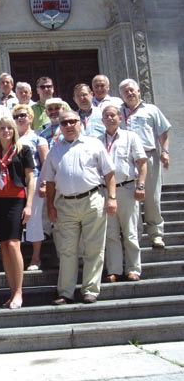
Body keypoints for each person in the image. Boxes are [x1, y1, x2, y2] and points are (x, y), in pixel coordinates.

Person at [42, 110, 117, 305]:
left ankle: (90, 289)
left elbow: (109, 174)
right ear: (60, 126)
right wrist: (50, 206)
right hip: (65, 204)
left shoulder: (94, 144)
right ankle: (65, 292)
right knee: (67, 249)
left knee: (94, 247)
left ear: (79, 123)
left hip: (93, 200)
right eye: (64, 123)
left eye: (72, 121)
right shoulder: (55, 150)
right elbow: (49, 182)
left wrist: (112, 198)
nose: (68, 125)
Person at [0, 117, 35, 309]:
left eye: (9, 128)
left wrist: (28, 206)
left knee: (14, 244)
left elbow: (31, 179)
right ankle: (12, 292)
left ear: (14, 131)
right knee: (4, 246)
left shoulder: (24, 150)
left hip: (16, 201)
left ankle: (19, 292)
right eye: (2, 128)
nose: (6, 131)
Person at [119, 78, 171, 248]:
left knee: (152, 197)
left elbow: (163, 132)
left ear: (139, 91)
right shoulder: (118, 112)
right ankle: (135, 235)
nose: (129, 93)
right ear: (121, 95)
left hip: (148, 157)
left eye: (131, 90)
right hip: (126, 160)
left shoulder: (151, 110)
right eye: (125, 91)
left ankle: (155, 233)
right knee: (130, 199)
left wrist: (164, 152)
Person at [99, 105, 147, 282]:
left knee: (130, 231)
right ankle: (115, 269)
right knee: (110, 233)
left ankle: (134, 268)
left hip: (127, 189)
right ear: (102, 120)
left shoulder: (131, 137)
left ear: (120, 118)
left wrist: (141, 185)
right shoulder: (97, 140)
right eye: (106, 116)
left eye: (113, 115)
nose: (110, 118)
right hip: (105, 192)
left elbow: (142, 162)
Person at [13, 104, 49, 271]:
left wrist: (44, 183)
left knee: (33, 219)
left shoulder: (39, 138)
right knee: (16, 221)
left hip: (34, 182)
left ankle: (35, 258)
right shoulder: (10, 138)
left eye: (23, 115)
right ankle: (17, 258)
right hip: (14, 184)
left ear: (30, 117)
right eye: (17, 116)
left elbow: (46, 163)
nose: (20, 118)